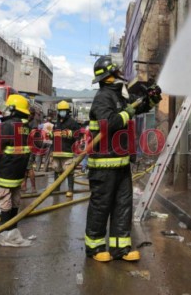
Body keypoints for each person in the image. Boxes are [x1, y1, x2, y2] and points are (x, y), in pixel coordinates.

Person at [85, 56, 161, 262]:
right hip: (103, 165)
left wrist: (152, 98)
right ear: (110, 76)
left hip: (121, 163)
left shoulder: (118, 95)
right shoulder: (103, 97)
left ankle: (121, 248)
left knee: (123, 205)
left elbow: (137, 108)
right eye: (117, 71)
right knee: (101, 207)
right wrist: (126, 113)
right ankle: (95, 247)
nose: (121, 73)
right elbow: (107, 124)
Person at [0, 94, 32, 247]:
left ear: (13, 109)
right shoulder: (27, 127)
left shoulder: (7, 125)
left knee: (4, 199)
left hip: (5, 170)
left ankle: (5, 230)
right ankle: (13, 228)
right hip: (18, 171)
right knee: (15, 199)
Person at [51, 100, 81, 198]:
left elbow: (78, 134)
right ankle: (56, 189)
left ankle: (70, 189)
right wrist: (51, 134)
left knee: (69, 171)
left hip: (67, 152)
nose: (62, 112)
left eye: (64, 110)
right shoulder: (56, 123)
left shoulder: (72, 122)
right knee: (56, 170)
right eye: (60, 110)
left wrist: (70, 134)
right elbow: (53, 134)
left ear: (68, 111)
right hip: (56, 152)